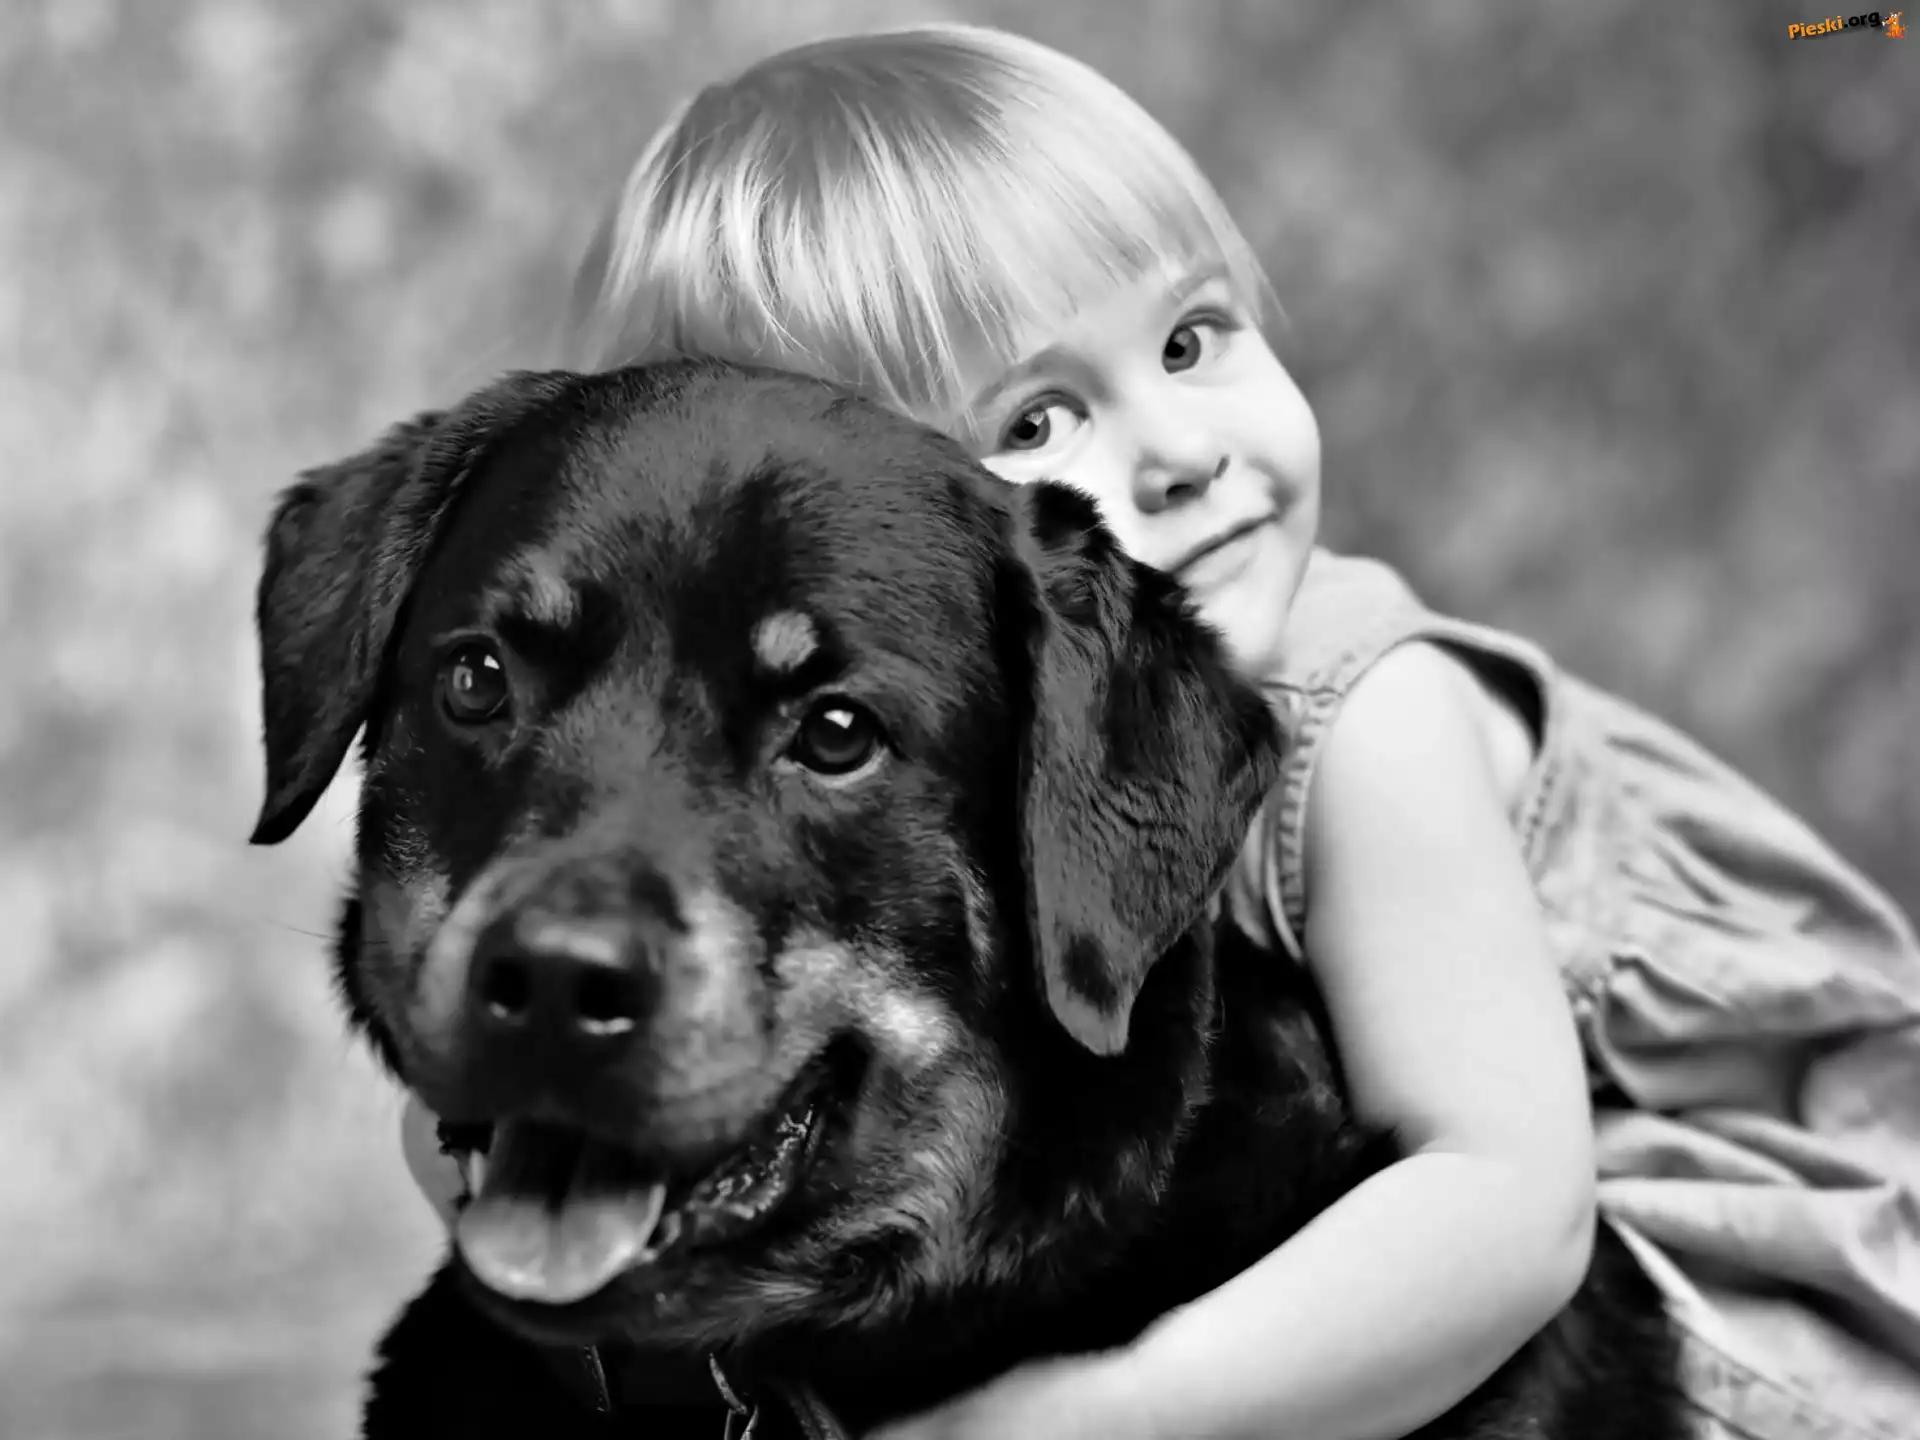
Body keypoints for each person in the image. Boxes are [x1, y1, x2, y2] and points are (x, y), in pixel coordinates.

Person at [399, 23, 1920, 1440]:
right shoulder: (976, 732)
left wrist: (1091, 1418)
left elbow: (1504, 1215)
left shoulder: (1367, 719)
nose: (1184, 450)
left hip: (1740, 1269)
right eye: (1036, 420)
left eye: (1192, 339)